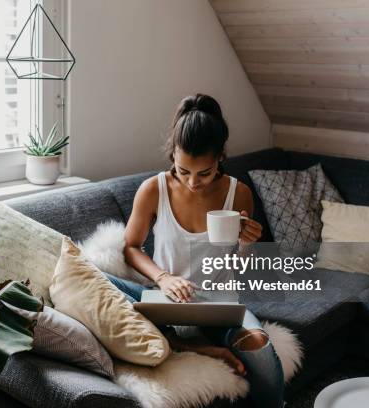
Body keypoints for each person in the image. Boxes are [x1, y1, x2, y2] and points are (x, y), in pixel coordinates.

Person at [105, 94, 285, 408]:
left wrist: (247, 244)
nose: (192, 182)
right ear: (173, 155)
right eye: (183, 171)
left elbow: (243, 271)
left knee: (261, 350)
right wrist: (163, 278)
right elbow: (131, 247)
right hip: (167, 303)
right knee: (98, 279)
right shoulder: (153, 189)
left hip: (218, 307)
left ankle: (201, 346)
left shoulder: (238, 194)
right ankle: (184, 344)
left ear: (220, 158)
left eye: (204, 173)